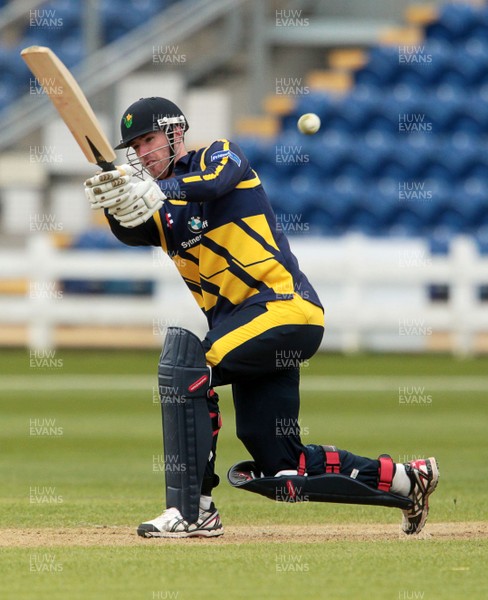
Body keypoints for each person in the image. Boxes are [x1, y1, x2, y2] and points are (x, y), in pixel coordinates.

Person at [84, 97, 439, 538]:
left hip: (284, 308)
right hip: (252, 333)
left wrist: (162, 190)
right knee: (281, 465)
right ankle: (407, 479)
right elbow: (129, 229)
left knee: (188, 369)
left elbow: (215, 182)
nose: (143, 154)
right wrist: (112, 200)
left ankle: (193, 510)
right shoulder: (163, 212)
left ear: (176, 134)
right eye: (134, 148)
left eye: (150, 141)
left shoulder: (218, 155)